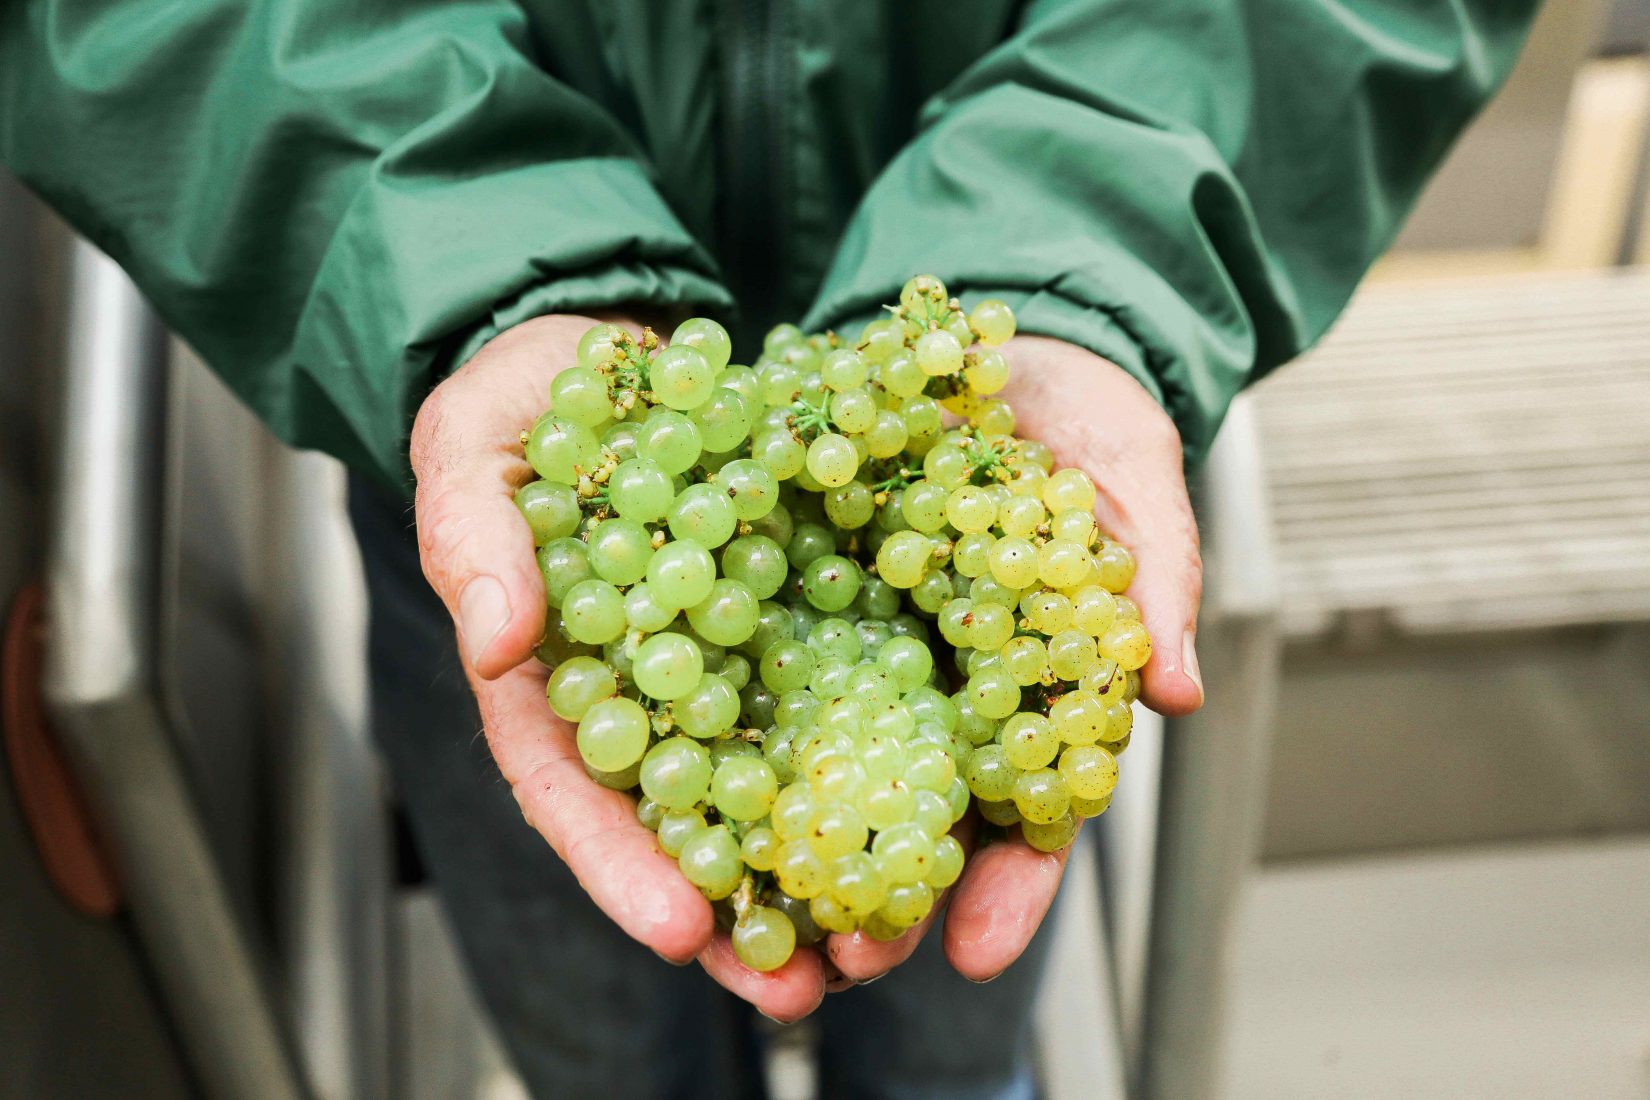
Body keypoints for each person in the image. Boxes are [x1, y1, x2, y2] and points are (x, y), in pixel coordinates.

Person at [1, 1, 1539, 1095]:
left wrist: (1076, 248)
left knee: (944, 1022)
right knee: (593, 1027)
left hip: (973, 501)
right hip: (533, 498)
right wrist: (458, 259)